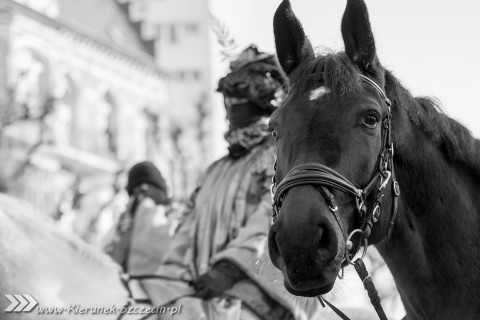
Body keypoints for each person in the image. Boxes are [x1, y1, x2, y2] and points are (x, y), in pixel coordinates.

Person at [136, 46, 317, 320]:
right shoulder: (214, 171)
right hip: (203, 299)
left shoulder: (278, 156)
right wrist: (166, 285)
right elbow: (186, 232)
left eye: (239, 101)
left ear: (260, 101)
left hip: (259, 298)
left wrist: (230, 269)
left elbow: (271, 216)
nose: (231, 110)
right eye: (228, 102)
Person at [104, 161, 175, 276]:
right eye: (136, 193)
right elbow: (110, 259)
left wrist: (144, 209)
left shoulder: (175, 218)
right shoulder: (124, 224)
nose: (141, 196)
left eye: (145, 190)